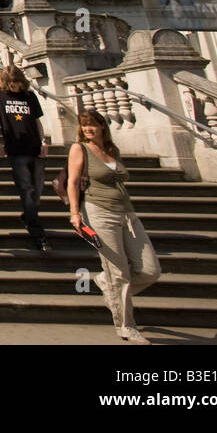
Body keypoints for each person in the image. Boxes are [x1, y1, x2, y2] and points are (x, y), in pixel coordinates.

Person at [68, 108, 162, 343]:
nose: (87, 128)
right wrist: (74, 214)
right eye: (83, 125)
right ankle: (126, 326)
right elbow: (71, 181)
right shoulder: (79, 148)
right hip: (98, 211)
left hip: (127, 214)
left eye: (92, 124)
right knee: (119, 273)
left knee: (150, 270)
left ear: (102, 126)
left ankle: (106, 283)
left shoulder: (112, 150)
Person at [0, 63, 51, 252]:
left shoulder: (29, 96)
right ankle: (37, 233)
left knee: (38, 188)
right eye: (11, 82)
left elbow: (37, 121)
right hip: (16, 149)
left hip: (35, 147)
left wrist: (43, 141)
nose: (15, 85)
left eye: (17, 81)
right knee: (27, 189)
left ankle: (28, 215)